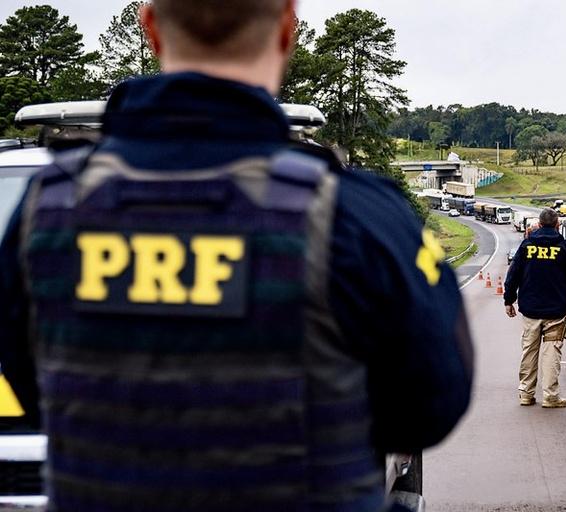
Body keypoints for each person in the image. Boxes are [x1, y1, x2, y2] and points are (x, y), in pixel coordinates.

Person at [0, 1, 474, 510]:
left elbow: (28, 380)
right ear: (287, 28)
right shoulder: (354, 217)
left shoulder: (45, 209)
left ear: (151, 26)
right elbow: (429, 408)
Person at [504, 208, 566, 408]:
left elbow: (513, 275)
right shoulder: (565, 248)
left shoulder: (527, 246)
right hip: (556, 311)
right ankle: (550, 396)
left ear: (539, 225)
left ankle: (526, 394)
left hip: (530, 310)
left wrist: (509, 300)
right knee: (551, 353)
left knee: (529, 351)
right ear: (558, 225)